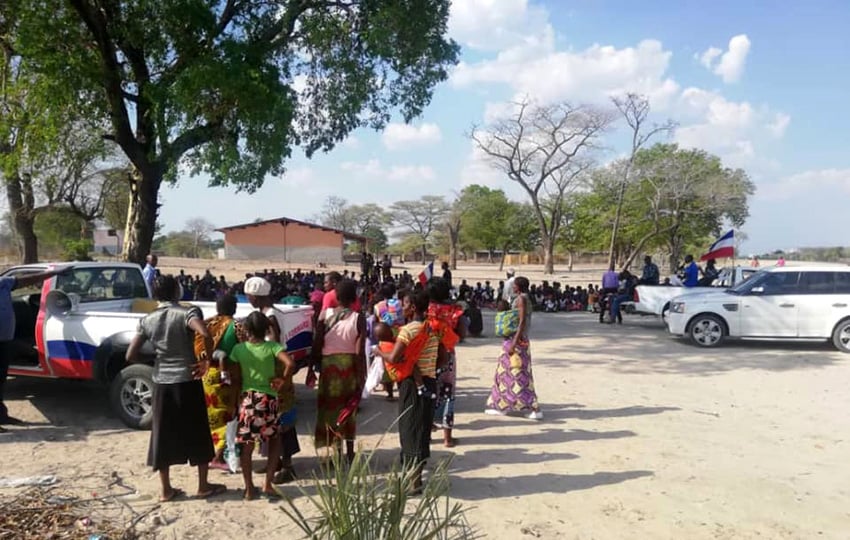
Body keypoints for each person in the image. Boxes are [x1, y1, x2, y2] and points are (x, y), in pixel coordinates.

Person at [126, 275, 226, 502]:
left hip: (162, 381)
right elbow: (204, 333)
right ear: (176, 292)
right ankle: (203, 486)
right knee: (198, 430)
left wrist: (155, 362)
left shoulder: (147, 320)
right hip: (187, 379)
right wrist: (206, 361)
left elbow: (130, 355)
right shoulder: (188, 313)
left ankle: (166, 489)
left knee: (163, 433)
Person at [375, 290, 444, 495]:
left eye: (404, 304)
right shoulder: (433, 328)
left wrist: (378, 352)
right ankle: (416, 476)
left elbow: (395, 358)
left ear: (413, 307)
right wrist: (430, 368)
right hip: (430, 382)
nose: (401, 307)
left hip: (411, 385)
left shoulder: (408, 330)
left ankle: (414, 483)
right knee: (422, 429)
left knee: (410, 429)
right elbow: (444, 356)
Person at [228, 311, 295, 500]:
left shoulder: (239, 350)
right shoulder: (273, 347)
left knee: (246, 445)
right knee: (275, 440)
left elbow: (235, 378)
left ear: (247, 329)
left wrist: (234, 403)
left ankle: (249, 488)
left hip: (248, 400)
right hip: (269, 400)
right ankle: (267, 484)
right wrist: (282, 380)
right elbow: (290, 363)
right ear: (267, 329)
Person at [0, 266, 72, 433]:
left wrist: (54, 273)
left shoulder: (3, 283)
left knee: (1, 380)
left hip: (5, 340)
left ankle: (2, 415)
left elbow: (28, 280)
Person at [244, 276, 301, 482]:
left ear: (257, 296)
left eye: (249, 296)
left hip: (275, 370)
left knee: (282, 418)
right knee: (272, 417)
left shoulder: (270, 317)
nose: (248, 299)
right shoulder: (269, 313)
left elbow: (273, 344)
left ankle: (287, 465)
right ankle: (275, 460)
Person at [313, 279, 366, 464]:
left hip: (329, 369)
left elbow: (317, 342)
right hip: (349, 368)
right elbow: (360, 353)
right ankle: (350, 453)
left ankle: (335, 450)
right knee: (348, 410)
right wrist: (362, 376)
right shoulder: (358, 318)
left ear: (336, 296)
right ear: (354, 298)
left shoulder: (324, 315)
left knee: (330, 409)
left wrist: (314, 367)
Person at [485, 276, 542, 420]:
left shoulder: (521, 299)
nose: (513, 287)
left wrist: (514, 342)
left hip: (516, 341)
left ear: (519, 286)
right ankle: (507, 404)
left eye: (515, 285)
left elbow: (521, 321)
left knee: (513, 373)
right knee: (513, 374)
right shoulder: (523, 298)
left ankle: (528, 406)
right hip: (520, 341)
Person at [195, 295, 239, 471]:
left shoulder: (207, 324)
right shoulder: (236, 326)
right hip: (227, 375)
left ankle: (211, 454)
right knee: (227, 416)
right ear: (234, 308)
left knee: (211, 415)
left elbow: (198, 350)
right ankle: (218, 456)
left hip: (207, 374)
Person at [428, 277, 465, 448]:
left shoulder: (425, 308)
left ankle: (427, 432)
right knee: (448, 393)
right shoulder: (454, 310)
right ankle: (447, 438)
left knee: (429, 391)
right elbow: (463, 333)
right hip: (448, 355)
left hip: (427, 355)